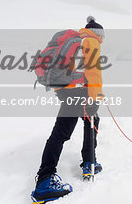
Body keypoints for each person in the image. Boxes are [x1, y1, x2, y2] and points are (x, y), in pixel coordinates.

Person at [31, 16, 105, 203]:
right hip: (80, 92)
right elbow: (93, 72)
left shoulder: (75, 40)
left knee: (91, 121)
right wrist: (94, 98)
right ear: (98, 33)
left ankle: (90, 161)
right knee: (62, 132)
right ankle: (44, 181)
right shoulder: (91, 41)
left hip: (66, 91)